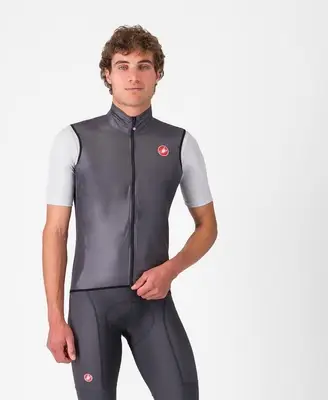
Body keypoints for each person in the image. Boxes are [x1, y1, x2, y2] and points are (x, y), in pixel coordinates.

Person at [42, 25, 218, 400]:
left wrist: (170, 270)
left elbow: (207, 227)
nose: (133, 76)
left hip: (153, 301)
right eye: (122, 66)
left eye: (143, 65)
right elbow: (55, 231)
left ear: (158, 74)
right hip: (90, 305)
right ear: (108, 74)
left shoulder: (180, 143)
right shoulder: (73, 140)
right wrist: (55, 318)